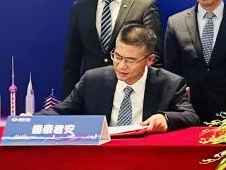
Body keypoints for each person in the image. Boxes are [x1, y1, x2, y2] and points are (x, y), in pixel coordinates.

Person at [42, 23, 199, 131]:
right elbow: (61, 111)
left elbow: (191, 116)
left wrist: (165, 118)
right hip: (102, 154)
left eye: (130, 60)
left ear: (149, 60)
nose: (121, 66)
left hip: (146, 154)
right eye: (117, 56)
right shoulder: (92, 79)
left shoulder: (170, 83)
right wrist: (30, 120)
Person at [62, 0, 162, 98]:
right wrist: (70, 101)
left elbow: (154, 56)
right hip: (91, 93)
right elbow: (72, 60)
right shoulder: (80, 8)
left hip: (132, 93)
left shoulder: (144, 6)